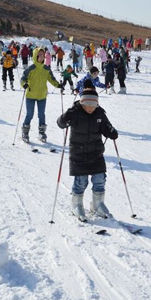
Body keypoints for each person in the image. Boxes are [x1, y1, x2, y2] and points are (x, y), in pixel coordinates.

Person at [57, 81, 119, 221]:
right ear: (83, 102)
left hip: (96, 152)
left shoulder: (99, 113)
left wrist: (111, 132)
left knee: (99, 179)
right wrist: (65, 116)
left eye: (93, 105)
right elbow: (61, 124)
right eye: (88, 105)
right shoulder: (75, 112)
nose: (90, 108)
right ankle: (77, 205)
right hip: (78, 153)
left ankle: (97, 204)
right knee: (81, 182)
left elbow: (106, 126)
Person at [20, 47, 62, 143]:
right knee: (29, 114)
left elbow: (52, 79)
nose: (42, 57)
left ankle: (41, 133)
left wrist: (58, 85)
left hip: (42, 96)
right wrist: (24, 84)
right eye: (40, 55)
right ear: (36, 56)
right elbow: (23, 78)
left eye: (43, 55)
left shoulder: (46, 68)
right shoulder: (31, 68)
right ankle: (25, 132)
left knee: (41, 115)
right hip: (30, 95)